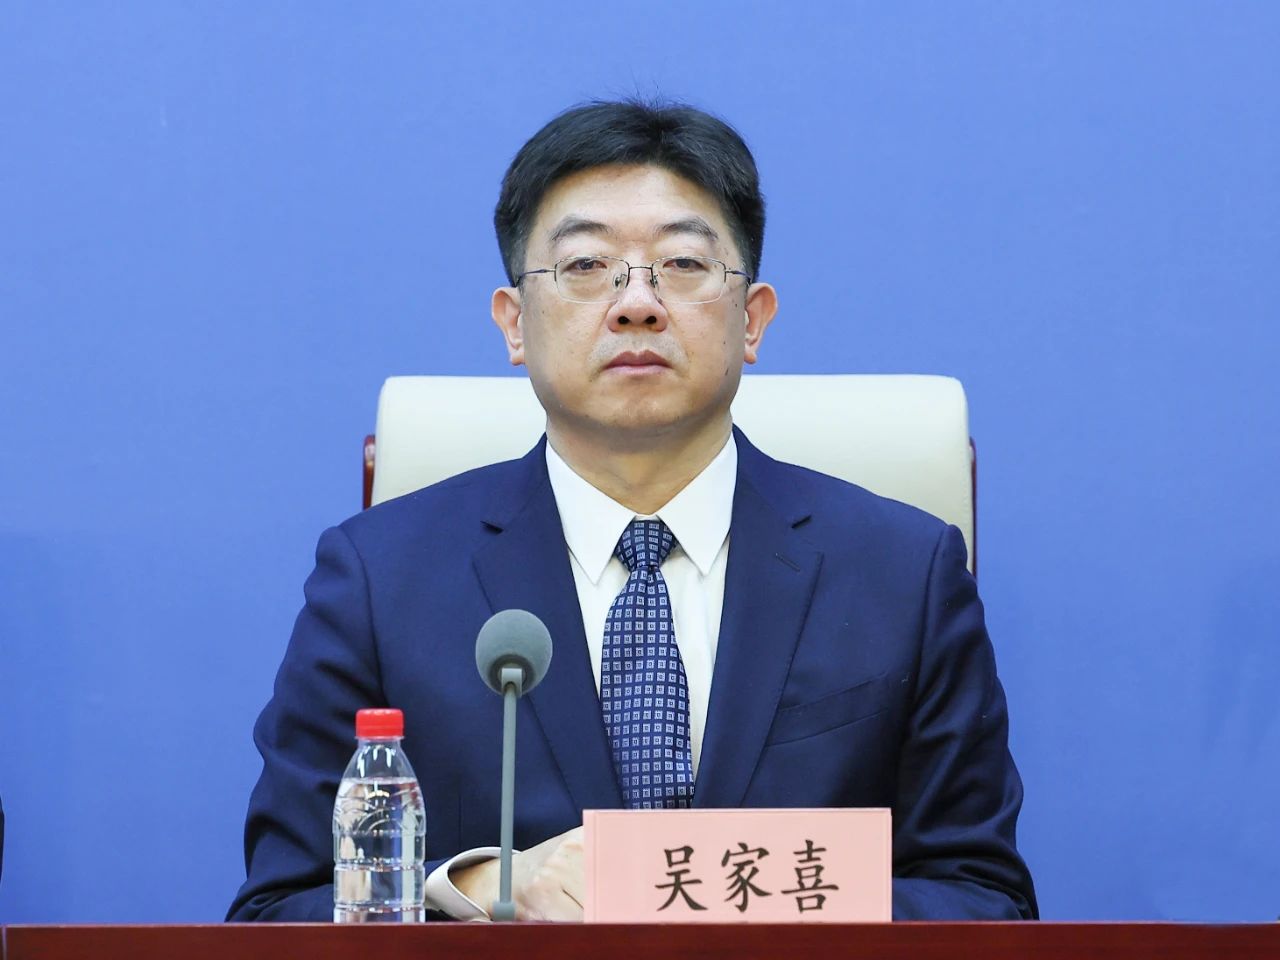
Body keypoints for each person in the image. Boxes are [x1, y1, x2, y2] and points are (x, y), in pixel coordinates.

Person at [228, 99, 1037, 922]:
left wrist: (735, 901)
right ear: (514, 324)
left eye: (683, 264)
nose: (637, 303)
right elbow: (281, 909)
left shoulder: (902, 574)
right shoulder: (378, 581)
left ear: (753, 320)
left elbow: (983, 899)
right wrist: (474, 888)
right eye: (585, 265)